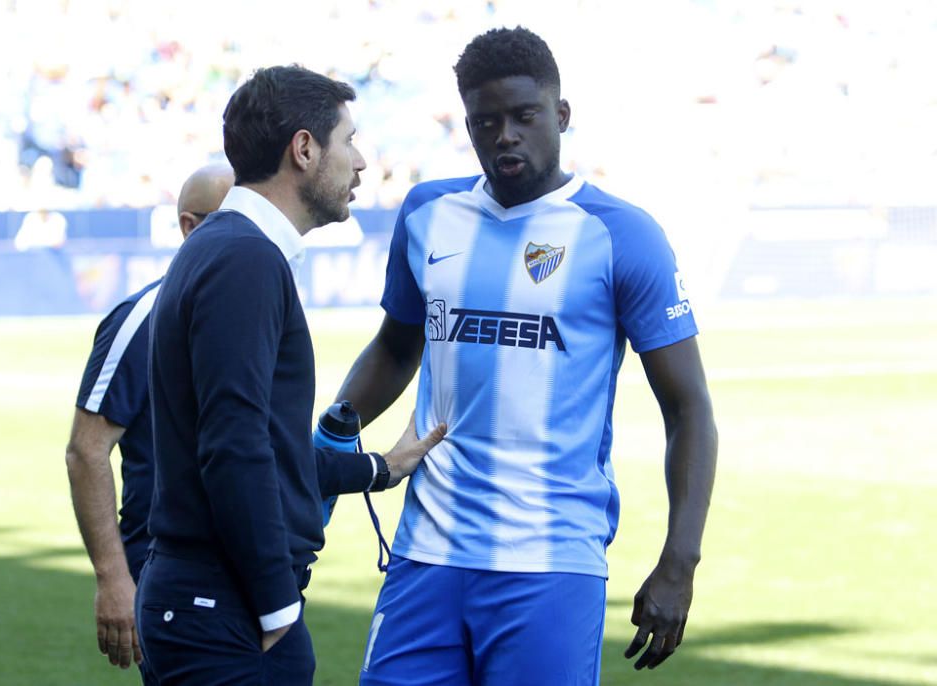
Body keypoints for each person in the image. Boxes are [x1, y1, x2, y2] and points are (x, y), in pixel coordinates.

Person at [338, 27, 718, 685]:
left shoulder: (621, 234)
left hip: (549, 563)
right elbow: (396, 347)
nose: (505, 134)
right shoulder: (429, 212)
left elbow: (689, 409)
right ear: (467, 124)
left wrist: (679, 561)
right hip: (425, 551)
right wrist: (327, 435)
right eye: (486, 122)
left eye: (524, 116)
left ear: (561, 116)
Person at [136, 65, 446, 686]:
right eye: (348, 140)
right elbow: (233, 443)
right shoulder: (244, 258)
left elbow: (265, 448)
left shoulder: (231, 248)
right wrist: (277, 604)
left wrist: (380, 467)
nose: (360, 162)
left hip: (215, 603)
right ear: (303, 150)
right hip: (225, 610)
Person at [65, 162, 234, 681]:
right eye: (234, 221)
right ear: (190, 226)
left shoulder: (256, 311)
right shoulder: (143, 317)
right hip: (171, 577)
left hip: (248, 574)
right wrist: (114, 579)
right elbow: (86, 450)